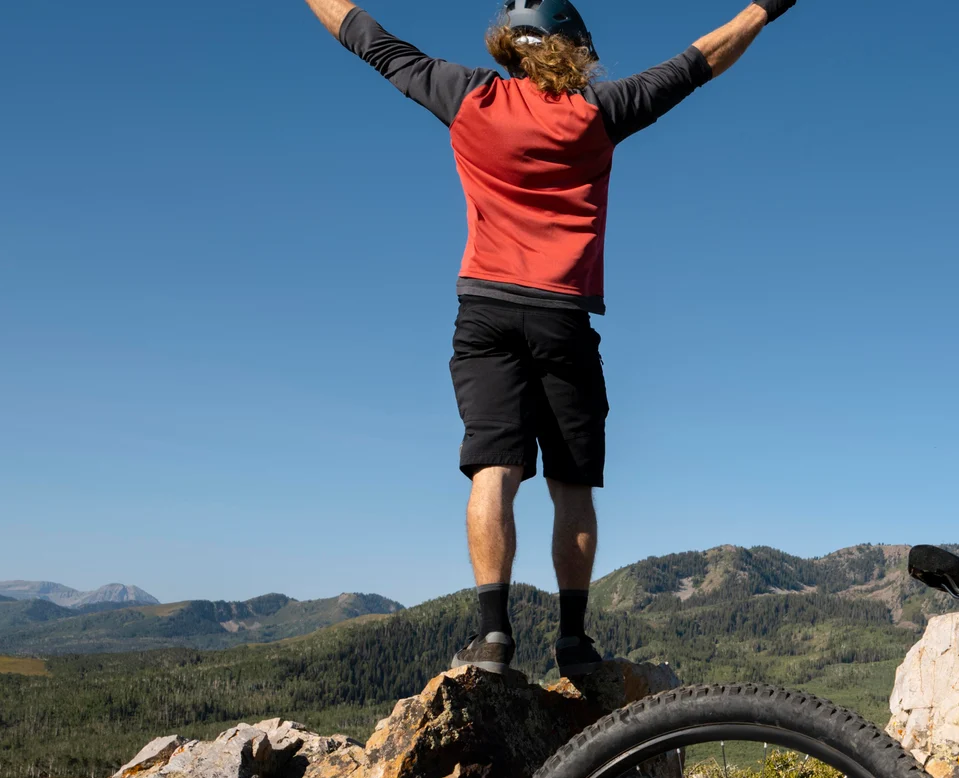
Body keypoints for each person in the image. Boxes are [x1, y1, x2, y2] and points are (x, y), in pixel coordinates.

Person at [300, 0, 794, 676]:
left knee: (493, 468)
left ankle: (493, 637)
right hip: (563, 316)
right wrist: (766, 8)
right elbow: (699, 61)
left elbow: (368, 38)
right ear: (572, 48)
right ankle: (572, 641)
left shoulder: (468, 96)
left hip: (486, 311)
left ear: (512, 43)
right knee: (571, 485)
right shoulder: (599, 110)